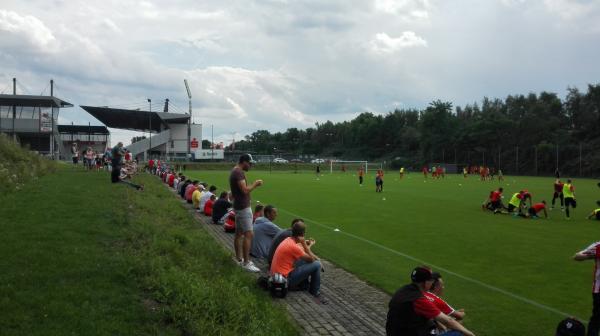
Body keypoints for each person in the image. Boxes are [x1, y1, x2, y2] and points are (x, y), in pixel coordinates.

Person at [386, 266, 476, 336]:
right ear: (425, 282)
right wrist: (470, 334)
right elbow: (448, 321)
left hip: (394, 331)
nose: (432, 283)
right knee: (459, 332)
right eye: (431, 280)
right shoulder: (418, 299)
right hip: (409, 333)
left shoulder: (403, 290)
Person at [270, 220, 323, 301]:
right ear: (303, 234)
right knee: (317, 264)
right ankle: (315, 291)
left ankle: (304, 284)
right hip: (285, 280)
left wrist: (304, 243)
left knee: (303, 260)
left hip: (276, 276)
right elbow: (311, 259)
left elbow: (298, 248)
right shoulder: (293, 247)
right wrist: (306, 245)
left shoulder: (288, 239)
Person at [230, 154, 263, 272]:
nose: (251, 166)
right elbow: (244, 190)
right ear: (244, 162)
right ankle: (246, 262)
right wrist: (256, 183)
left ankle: (239, 259)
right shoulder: (238, 172)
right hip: (243, 208)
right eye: (250, 163)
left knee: (238, 234)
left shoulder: (234, 171)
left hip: (239, 207)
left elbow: (235, 192)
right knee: (248, 234)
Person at [573, 241, 600, 336]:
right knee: (596, 320)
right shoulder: (598, 246)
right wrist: (591, 255)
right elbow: (576, 256)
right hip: (599, 291)